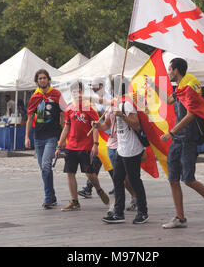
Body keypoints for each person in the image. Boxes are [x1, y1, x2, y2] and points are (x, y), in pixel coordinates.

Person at [151, 57, 204, 228]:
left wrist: (171, 132)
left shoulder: (190, 87)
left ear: (176, 70)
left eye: (170, 69)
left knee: (189, 179)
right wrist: (153, 86)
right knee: (173, 178)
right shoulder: (180, 88)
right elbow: (169, 101)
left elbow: (191, 115)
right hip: (177, 140)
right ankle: (180, 218)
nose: (168, 72)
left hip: (187, 139)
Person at [55, 81, 110, 211]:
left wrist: (95, 145)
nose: (76, 94)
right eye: (73, 92)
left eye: (78, 91)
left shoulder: (89, 107)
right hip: (71, 146)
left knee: (89, 173)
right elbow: (66, 127)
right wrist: (60, 145)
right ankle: (74, 201)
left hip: (85, 146)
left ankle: (98, 189)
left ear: (82, 92)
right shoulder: (69, 108)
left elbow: (95, 127)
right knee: (70, 172)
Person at [101, 82, 149, 224]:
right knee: (117, 179)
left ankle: (143, 212)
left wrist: (122, 115)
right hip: (121, 148)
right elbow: (108, 125)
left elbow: (136, 124)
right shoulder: (115, 104)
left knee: (134, 180)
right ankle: (118, 213)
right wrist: (98, 126)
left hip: (132, 148)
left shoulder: (126, 103)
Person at [25, 69, 67, 209]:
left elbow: (64, 113)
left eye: (44, 78)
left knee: (46, 165)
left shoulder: (56, 94)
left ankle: (48, 197)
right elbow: (30, 118)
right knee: (44, 169)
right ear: (37, 81)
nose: (42, 80)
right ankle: (52, 196)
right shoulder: (34, 97)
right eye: (39, 78)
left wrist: (64, 134)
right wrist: (27, 137)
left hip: (52, 136)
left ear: (48, 79)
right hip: (38, 137)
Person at [78, 78, 115, 198]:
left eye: (95, 86)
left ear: (101, 85)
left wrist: (97, 115)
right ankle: (90, 187)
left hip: (109, 134)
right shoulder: (94, 101)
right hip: (99, 134)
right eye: (92, 86)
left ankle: (117, 183)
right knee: (98, 161)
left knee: (105, 162)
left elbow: (107, 116)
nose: (93, 89)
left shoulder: (108, 98)